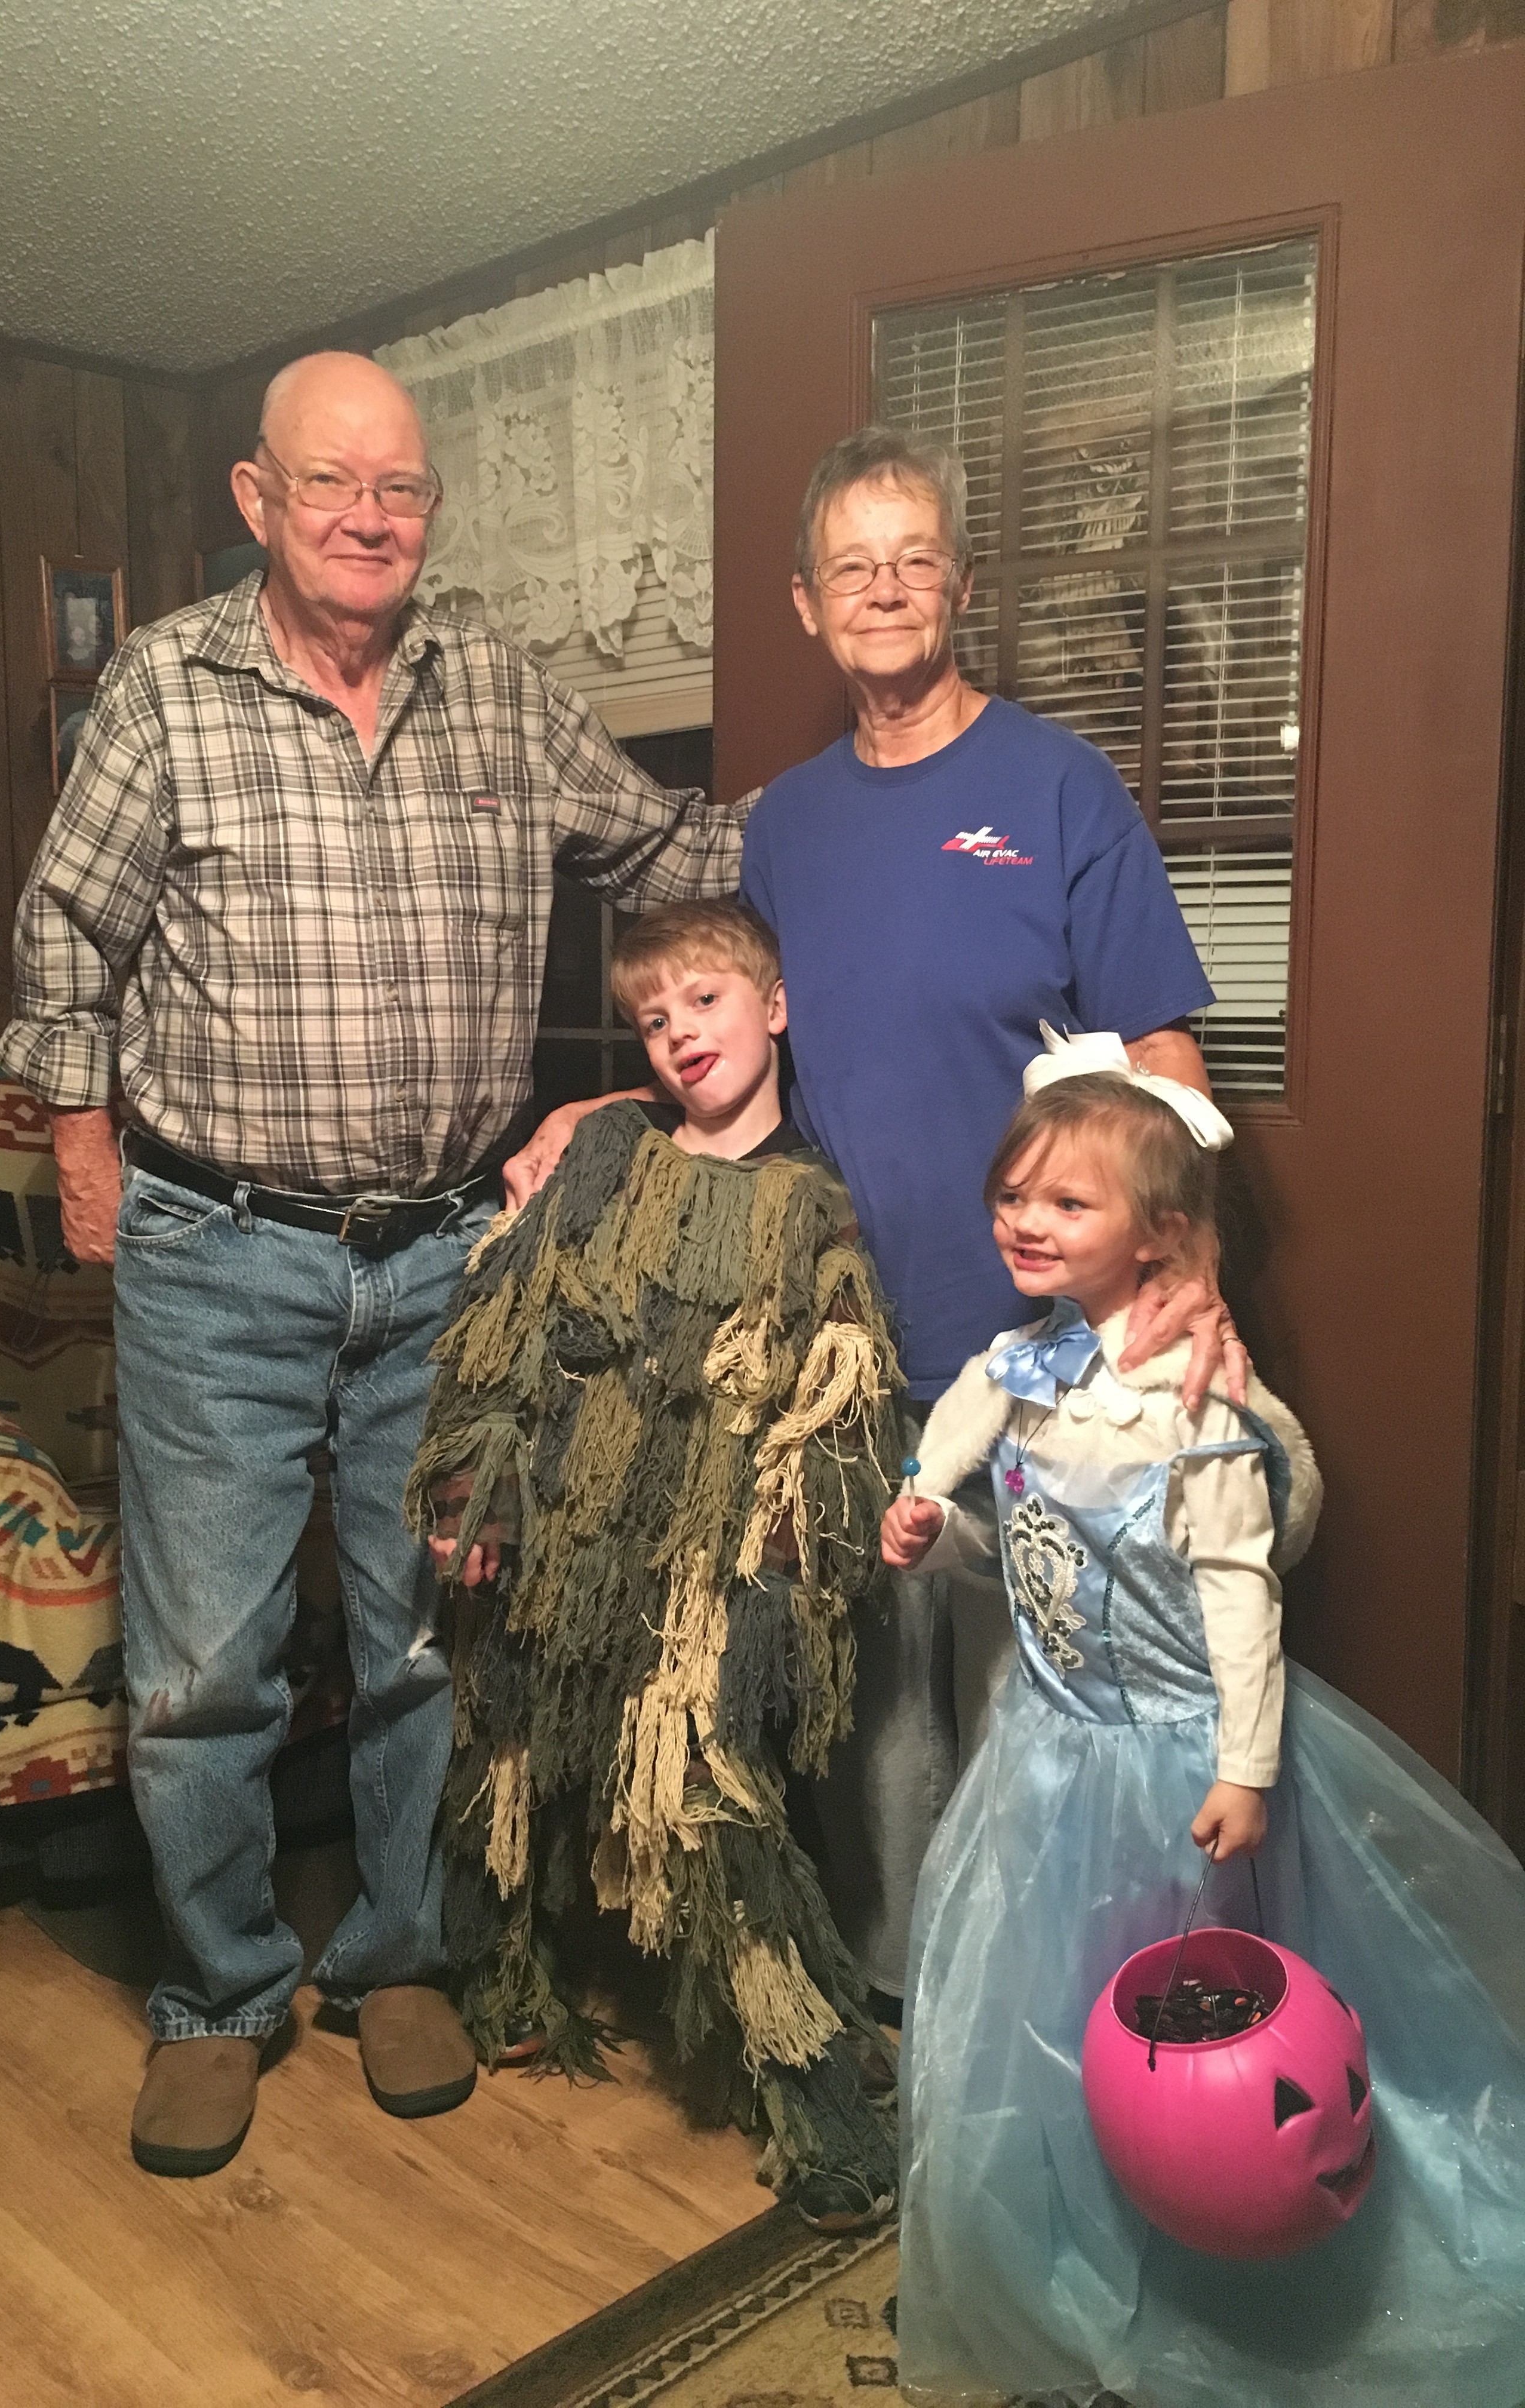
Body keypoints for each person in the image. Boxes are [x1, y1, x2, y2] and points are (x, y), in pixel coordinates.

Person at [0, 351, 745, 2180]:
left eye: (398, 488)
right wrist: (84, 1148)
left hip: (442, 1261)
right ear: (256, 499)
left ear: (431, 509)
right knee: (203, 1668)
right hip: (215, 1250)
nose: (367, 517)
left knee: (424, 1643)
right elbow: (67, 935)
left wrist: (884, 823)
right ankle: (220, 1993)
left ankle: (401, 1956)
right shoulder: (166, 686)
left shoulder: (498, 689)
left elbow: (671, 849)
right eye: (329, 485)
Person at [508, 425, 1233, 2015]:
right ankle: (915, 2031)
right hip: (844, 1358)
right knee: (882, 1727)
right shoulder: (784, 826)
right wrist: (601, 1111)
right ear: (807, 604)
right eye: (855, 567)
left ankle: (1071, 2028)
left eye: (915, 561)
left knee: (1059, 1720)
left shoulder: (1058, 787)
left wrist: (1188, 1273)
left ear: (959, 585)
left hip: (1052, 1361)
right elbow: (740, 1040)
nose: (887, 590)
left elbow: (1166, 1063)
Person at [884, 1033, 1525, 2408]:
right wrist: (936, 1527)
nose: (1026, 1222)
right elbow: (1019, 1547)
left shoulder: (1199, 1406)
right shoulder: (1026, 1369)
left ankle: (1215, 2246)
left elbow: (1241, 1595)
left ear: (1161, 1235)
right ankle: (1072, 2236)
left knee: (1184, 2009)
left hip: (1178, 1767)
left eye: (1068, 1202)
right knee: (1054, 2007)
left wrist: (1243, 1767)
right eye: (1014, 1196)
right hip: (1043, 1750)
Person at [410, 899, 902, 2228]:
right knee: (503, 1742)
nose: (680, 1032)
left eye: (706, 1001)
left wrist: (776, 1579)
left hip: (703, 1566)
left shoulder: (812, 1209)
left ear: (773, 1007)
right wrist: (476, 1501)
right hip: (562, 1523)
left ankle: (811, 2076)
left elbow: (841, 1418)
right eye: (652, 1018)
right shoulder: (604, 1155)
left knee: (703, 1796)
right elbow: (504, 1327)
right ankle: (503, 1976)